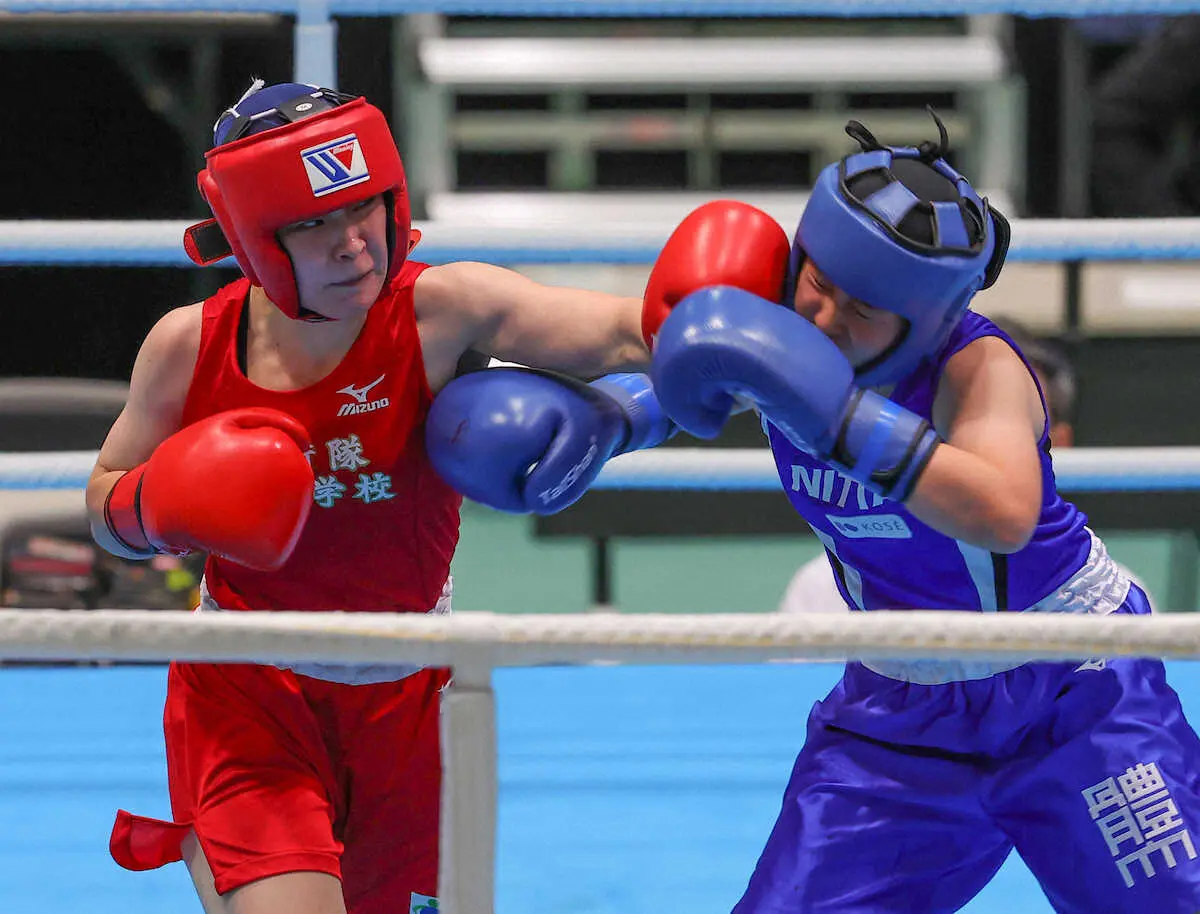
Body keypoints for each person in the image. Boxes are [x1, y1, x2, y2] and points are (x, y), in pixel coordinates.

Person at [85, 79, 672, 914]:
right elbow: (102, 502)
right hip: (248, 695)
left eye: (364, 209)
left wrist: (749, 326)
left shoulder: (444, 310)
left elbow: (626, 331)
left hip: (412, 697)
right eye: (314, 223)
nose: (354, 244)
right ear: (251, 240)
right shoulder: (189, 348)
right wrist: (157, 504)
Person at [638, 112, 1200, 911]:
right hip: (899, 709)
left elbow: (1004, 510)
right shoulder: (769, 318)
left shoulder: (979, 368)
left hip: (1072, 688)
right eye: (819, 285)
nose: (825, 318)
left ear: (928, 321)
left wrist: (841, 420)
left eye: (862, 309)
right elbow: (634, 345)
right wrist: (601, 418)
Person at [777, 317, 1159, 615]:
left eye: (1027, 429)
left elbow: (1004, 515)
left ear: (1057, 438)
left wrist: (838, 417)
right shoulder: (820, 586)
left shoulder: (1096, 597)